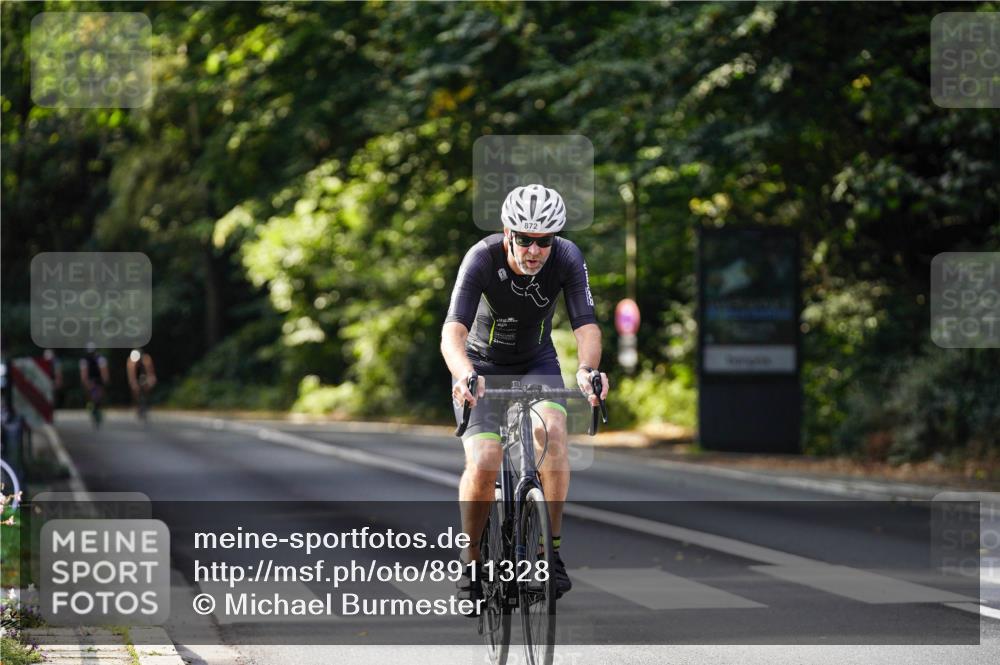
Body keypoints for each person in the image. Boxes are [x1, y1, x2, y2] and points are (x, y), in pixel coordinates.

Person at [440, 184, 610, 608]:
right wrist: (464, 374)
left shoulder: (567, 257)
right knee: (484, 460)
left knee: (552, 434)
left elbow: (586, 324)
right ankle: (472, 558)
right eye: (525, 239)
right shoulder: (482, 257)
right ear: (506, 232)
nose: (534, 250)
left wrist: (588, 371)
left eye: (545, 240)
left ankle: (547, 553)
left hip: (537, 362)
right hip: (482, 367)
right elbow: (452, 331)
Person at [79, 343, 110, 427]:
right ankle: (91, 408)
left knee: (99, 396)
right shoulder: (84, 360)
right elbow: (84, 373)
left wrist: (104, 381)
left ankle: (98, 410)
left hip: (98, 379)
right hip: (90, 380)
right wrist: (86, 383)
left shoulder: (100, 359)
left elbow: (104, 372)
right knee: (90, 396)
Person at [126, 348, 157, 419]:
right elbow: (131, 375)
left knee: (147, 385)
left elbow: (150, 372)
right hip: (136, 375)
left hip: (143, 374)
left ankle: (147, 401)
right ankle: (137, 404)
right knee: (135, 389)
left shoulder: (146, 359)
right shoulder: (131, 362)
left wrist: (151, 380)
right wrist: (133, 384)